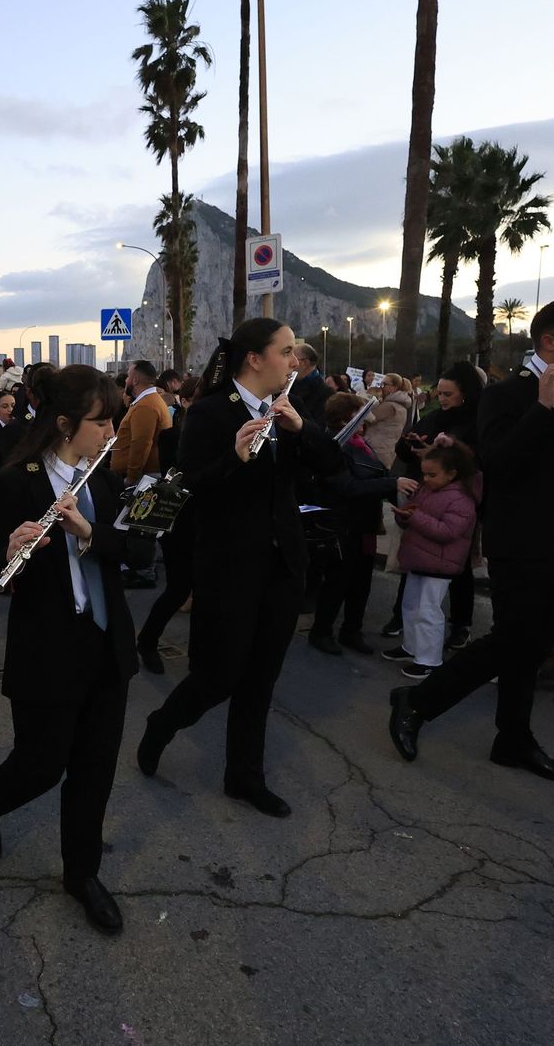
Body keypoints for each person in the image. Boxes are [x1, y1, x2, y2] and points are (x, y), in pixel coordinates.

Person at [388, 299, 554, 785]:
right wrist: (543, 407)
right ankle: (417, 701)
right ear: (549, 341)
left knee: (534, 646)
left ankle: (513, 739)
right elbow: (498, 463)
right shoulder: (506, 395)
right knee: (513, 639)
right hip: (519, 541)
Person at [136, 318, 344, 817]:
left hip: (282, 564)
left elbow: (333, 468)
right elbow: (187, 486)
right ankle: (162, 724)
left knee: (261, 679)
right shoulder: (210, 412)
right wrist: (234, 457)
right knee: (219, 676)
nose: (295, 361)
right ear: (255, 359)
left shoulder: (289, 410)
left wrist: (304, 429)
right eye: (287, 351)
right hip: (230, 566)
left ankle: (243, 776)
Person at [0, 364, 136, 935]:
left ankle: (81, 873)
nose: (111, 432)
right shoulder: (15, 482)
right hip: (48, 648)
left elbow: (135, 552)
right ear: (64, 423)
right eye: (100, 421)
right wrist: (12, 547)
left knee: (95, 770)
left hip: (106, 645)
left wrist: (89, 533)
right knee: (39, 767)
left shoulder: (101, 478)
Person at [383, 362, 485, 643]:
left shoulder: (478, 421)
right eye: (439, 393)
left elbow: (479, 460)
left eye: (448, 394)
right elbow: (403, 450)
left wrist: (441, 454)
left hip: (457, 504)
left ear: (465, 393)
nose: (441, 400)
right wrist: (410, 443)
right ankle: (403, 617)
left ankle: (460, 623)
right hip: (424, 495)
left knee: (458, 565)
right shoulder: (434, 416)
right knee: (415, 556)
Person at [308, 393, 415, 655]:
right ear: (347, 418)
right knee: (338, 582)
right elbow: (347, 486)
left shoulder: (359, 443)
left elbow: (376, 475)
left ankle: (351, 630)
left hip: (364, 523)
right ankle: (321, 632)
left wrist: (396, 492)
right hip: (343, 525)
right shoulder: (334, 446)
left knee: (361, 582)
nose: (367, 421)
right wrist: (392, 484)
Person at [385, 438, 480, 679]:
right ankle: (412, 647)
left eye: (432, 475)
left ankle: (429, 659)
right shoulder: (428, 490)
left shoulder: (461, 498)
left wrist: (414, 517)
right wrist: (404, 516)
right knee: (411, 605)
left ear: (451, 474)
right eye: (424, 474)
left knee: (428, 610)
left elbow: (448, 532)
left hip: (439, 564)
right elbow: (418, 513)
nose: (425, 479)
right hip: (420, 559)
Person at [135, 377, 202, 674]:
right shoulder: (172, 436)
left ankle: (199, 656)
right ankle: (148, 642)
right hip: (179, 521)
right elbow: (178, 474)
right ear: (184, 401)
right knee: (177, 588)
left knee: (205, 588)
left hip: (207, 522)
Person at [111, 359, 172, 589]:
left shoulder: (146, 405)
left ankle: (142, 571)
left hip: (143, 476)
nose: (126, 380)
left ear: (135, 379)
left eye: (128, 375)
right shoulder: (149, 401)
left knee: (138, 526)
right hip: (146, 474)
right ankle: (142, 568)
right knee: (141, 526)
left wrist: (131, 476)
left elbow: (141, 444)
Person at [363, 373, 414, 469]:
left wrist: (364, 399)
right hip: (385, 450)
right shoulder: (400, 405)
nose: (381, 387)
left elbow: (367, 418)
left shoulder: (389, 406)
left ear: (394, 388)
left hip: (377, 451)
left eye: (384, 384)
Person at [290, 343, 328, 425]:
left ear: (304, 362)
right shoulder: (290, 387)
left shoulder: (325, 392)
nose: (291, 363)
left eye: (294, 358)